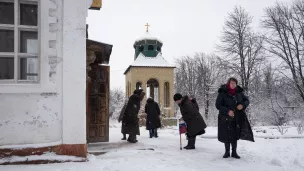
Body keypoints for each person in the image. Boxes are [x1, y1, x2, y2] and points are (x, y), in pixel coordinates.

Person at [215, 77, 254, 159]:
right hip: (225, 117)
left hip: (237, 117)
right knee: (226, 134)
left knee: (234, 134)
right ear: (228, 83)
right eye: (231, 83)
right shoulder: (223, 92)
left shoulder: (239, 92)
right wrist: (227, 111)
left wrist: (243, 105)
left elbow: (247, 100)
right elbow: (218, 105)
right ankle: (227, 152)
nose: (233, 84)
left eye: (234, 83)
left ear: (236, 84)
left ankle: (234, 152)